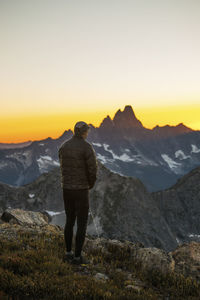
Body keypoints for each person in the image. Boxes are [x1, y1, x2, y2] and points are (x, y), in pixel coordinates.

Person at [58, 121, 98, 265]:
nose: (88, 133)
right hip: (81, 190)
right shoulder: (87, 147)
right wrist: (90, 185)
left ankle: (68, 252)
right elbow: (92, 170)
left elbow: (61, 163)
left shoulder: (64, 146)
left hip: (66, 189)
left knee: (70, 220)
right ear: (83, 132)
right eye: (87, 130)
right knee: (82, 223)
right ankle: (77, 257)